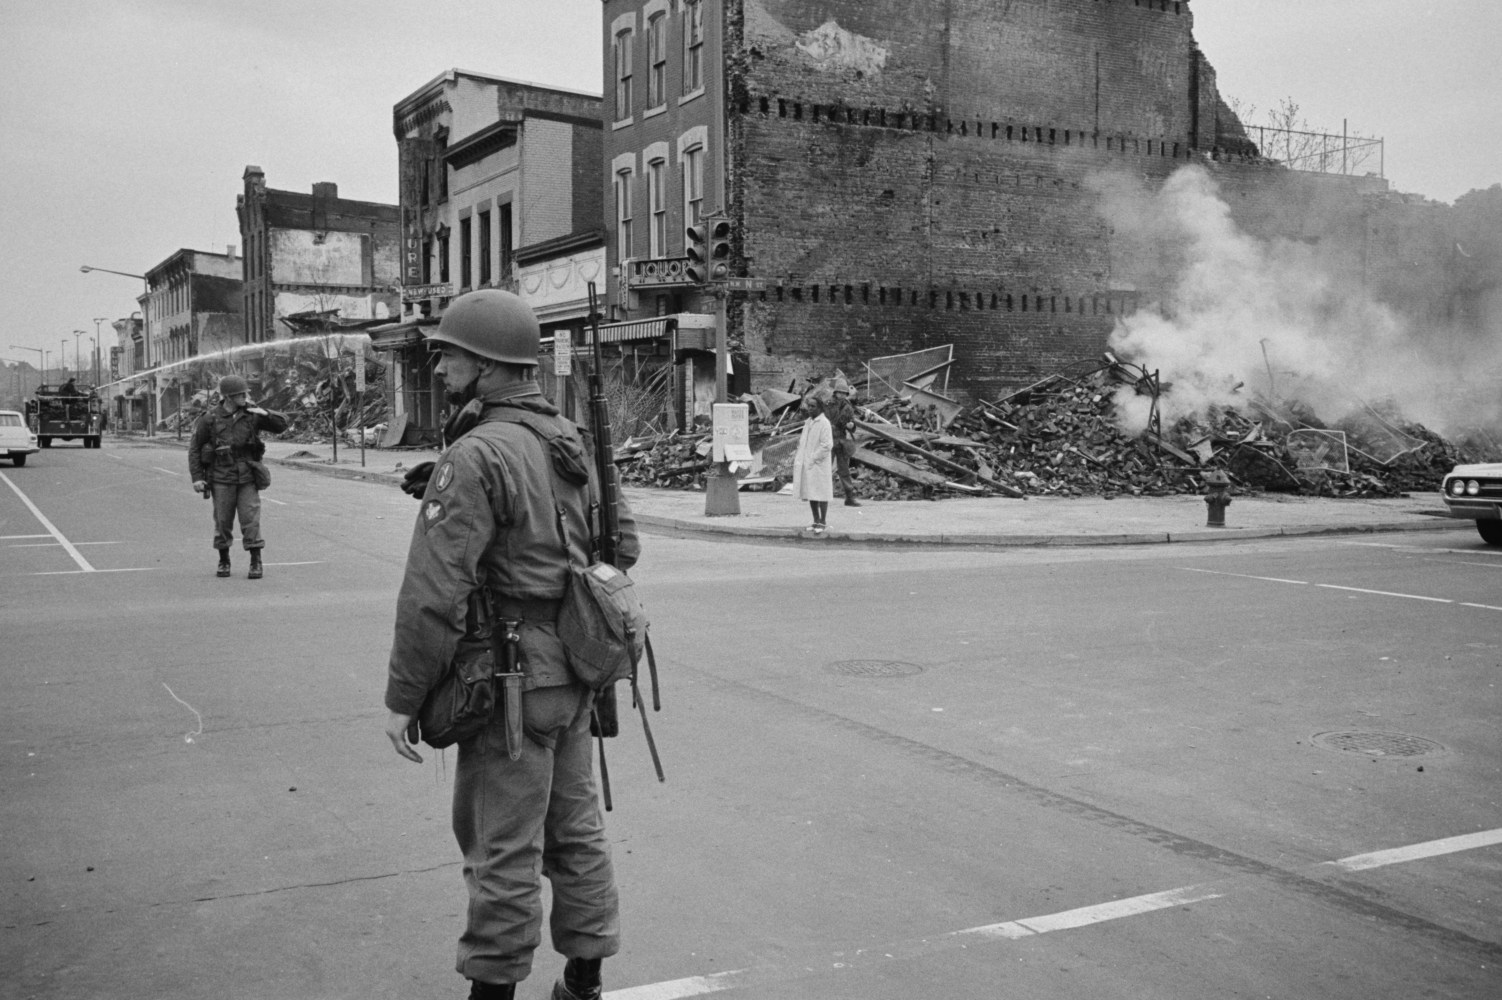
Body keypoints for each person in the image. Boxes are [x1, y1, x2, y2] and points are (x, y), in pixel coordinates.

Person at [383, 288, 640, 1000]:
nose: (439, 368)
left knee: (502, 849)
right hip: (576, 674)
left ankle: (490, 992)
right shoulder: (567, 439)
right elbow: (624, 548)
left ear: (490, 364)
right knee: (576, 832)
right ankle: (583, 980)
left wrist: (404, 698)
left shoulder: (476, 454)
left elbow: (433, 594)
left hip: (512, 682)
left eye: (450, 354)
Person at [188, 374, 287, 579]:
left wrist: (265, 413)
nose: (245, 397)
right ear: (229, 397)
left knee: (250, 519)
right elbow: (195, 449)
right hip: (221, 476)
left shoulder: (252, 414)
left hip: (247, 476)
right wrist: (197, 477)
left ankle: (255, 561)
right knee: (223, 521)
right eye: (241, 394)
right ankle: (224, 560)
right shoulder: (210, 418)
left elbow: (282, 425)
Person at [791, 394, 834, 534]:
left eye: (813, 406)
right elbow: (804, 442)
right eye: (808, 406)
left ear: (820, 408)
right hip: (808, 463)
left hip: (819, 464)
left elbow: (827, 445)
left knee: (822, 492)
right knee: (811, 492)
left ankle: (823, 521)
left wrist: (813, 458)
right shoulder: (808, 422)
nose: (809, 409)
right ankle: (815, 520)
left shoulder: (824, 423)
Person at [826, 378, 862, 506]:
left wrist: (851, 426)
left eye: (844, 393)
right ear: (835, 393)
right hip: (828, 439)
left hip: (841, 440)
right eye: (839, 392)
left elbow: (851, 424)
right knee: (824, 468)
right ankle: (820, 496)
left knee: (844, 470)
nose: (841, 395)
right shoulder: (828, 404)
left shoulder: (848, 406)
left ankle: (849, 497)